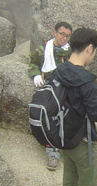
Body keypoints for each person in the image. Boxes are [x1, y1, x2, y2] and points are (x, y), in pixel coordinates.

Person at [56, 27, 97, 186]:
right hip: (83, 143)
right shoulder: (86, 79)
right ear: (89, 48)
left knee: (69, 182)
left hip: (64, 137)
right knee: (88, 185)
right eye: (95, 51)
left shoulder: (61, 70)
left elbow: (77, 95)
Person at [28, 21, 72, 171]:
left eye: (67, 36)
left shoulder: (70, 52)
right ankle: (53, 152)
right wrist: (35, 75)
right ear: (54, 33)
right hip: (49, 89)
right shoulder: (43, 49)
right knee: (50, 117)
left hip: (66, 89)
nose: (64, 38)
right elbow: (33, 63)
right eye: (62, 34)